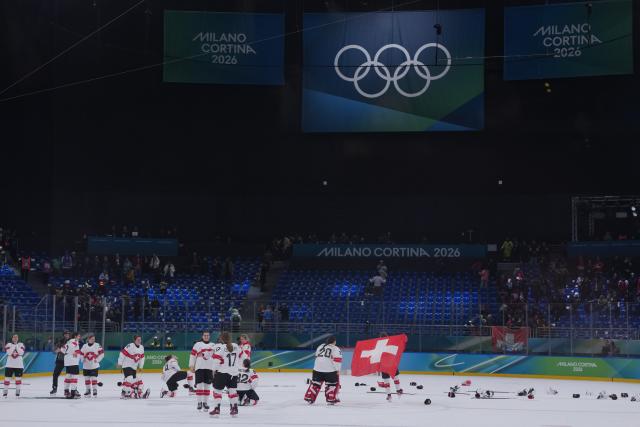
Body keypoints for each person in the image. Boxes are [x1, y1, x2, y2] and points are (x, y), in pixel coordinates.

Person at [209, 331, 241, 418]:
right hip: (234, 373)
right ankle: (234, 408)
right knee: (232, 391)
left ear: (221, 338)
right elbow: (241, 356)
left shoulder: (221, 347)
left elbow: (216, 361)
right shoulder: (235, 346)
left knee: (217, 391)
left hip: (222, 373)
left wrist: (213, 371)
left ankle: (217, 409)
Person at [304, 335, 342, 405]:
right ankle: (331, 399)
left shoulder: (321, 346)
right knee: (331, 384)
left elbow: (316, 356)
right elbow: (337, 360)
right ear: (334, 342)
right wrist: (337, 370)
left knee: (315, 383)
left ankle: (309, 397)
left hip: (317, 369)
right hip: (330, 371)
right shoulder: (336, 349)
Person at [190, 331, 215, 411]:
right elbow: (193, 355)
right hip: (199, 367)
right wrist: (191, 365)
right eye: (205, 335)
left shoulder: (213, 345)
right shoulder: (197, 344)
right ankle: (199, 402)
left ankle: (205, 402)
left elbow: (216, 357)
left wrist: (215, 368)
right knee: (199, 386)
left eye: (208, 335)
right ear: (202, 336)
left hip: (209, 368)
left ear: (209, 336)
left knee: (207, 386)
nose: (206, 336)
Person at [376, 332, 403, 401]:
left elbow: (378, 357)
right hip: (392, 364)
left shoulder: (379, 346)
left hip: (384, 365)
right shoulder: (391, 343)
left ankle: (389, 395)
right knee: (396, 379)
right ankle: (399, 391)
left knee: (386, 381)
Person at [62, 332, 82, 399]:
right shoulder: (74, 341)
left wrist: (73, 352)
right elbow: (74, 350)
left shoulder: (68, 342)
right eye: (79, 336)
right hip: (73, 361)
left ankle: (66, 391)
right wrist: (75, 352)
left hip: (67, 361)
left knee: (68, 376)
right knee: (74, 377)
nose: (79, 337)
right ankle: (73, 393)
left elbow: (62, 350)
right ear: (75, 336)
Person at [51, 330, 71, 395]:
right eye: (65, 334)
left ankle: (72, 389)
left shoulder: (71, 341)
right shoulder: (60, 341)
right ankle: (54, 388)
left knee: (71, 375)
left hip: (69, 360)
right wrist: (56, 350)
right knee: (55, 374)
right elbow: (54, 350)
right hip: (60, 360)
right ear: (63, 335)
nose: (67, 335)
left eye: (68, 334)